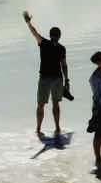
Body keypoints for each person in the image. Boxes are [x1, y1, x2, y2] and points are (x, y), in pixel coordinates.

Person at [22, 10, 72, 140]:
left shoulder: (44, 43)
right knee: (55, 103)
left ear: (50, 35)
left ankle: (38, 128)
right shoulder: (61, 48)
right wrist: (67, 80)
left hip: (45, 78)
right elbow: (64, 65)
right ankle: (57, 127)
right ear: (59, 36)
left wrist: (28, 22)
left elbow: (34, 33)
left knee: (40, 104)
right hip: (57, 79)